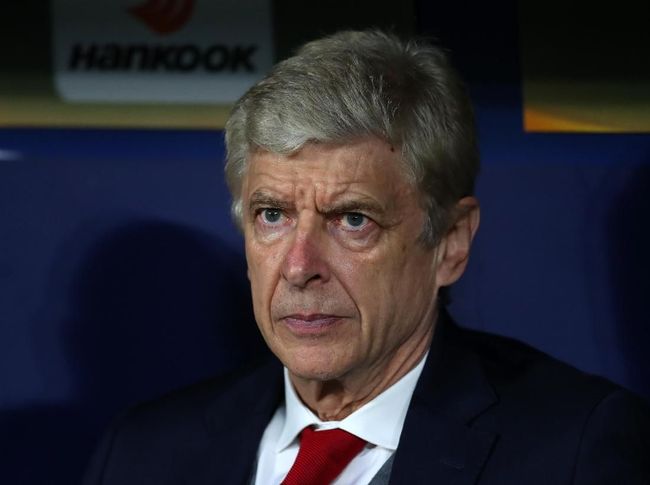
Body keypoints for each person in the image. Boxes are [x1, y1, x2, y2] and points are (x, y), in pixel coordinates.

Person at [83, 30, 649, 484]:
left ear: (450, 243)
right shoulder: (143, 453)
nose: (299, 267)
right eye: (273, 215)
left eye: (353, 220)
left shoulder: (575, 452)